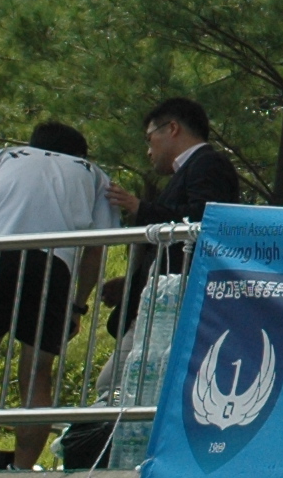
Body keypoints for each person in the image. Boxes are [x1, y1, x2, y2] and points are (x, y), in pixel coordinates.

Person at [0, 121, 112, 472]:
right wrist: (77, 305)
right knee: (37, 374)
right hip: (53, 265)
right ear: (79, 152)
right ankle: (23, 469)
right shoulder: (94, 173)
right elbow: (97, 248)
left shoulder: (1, 156)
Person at [98, 97, 241, 331]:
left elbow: (204, 218)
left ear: (172, 128)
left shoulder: (208, 163)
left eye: (149, 138)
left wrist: (139, 208)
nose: (148, 151)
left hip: (179, 303)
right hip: (168, 300)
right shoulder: (195, 167)